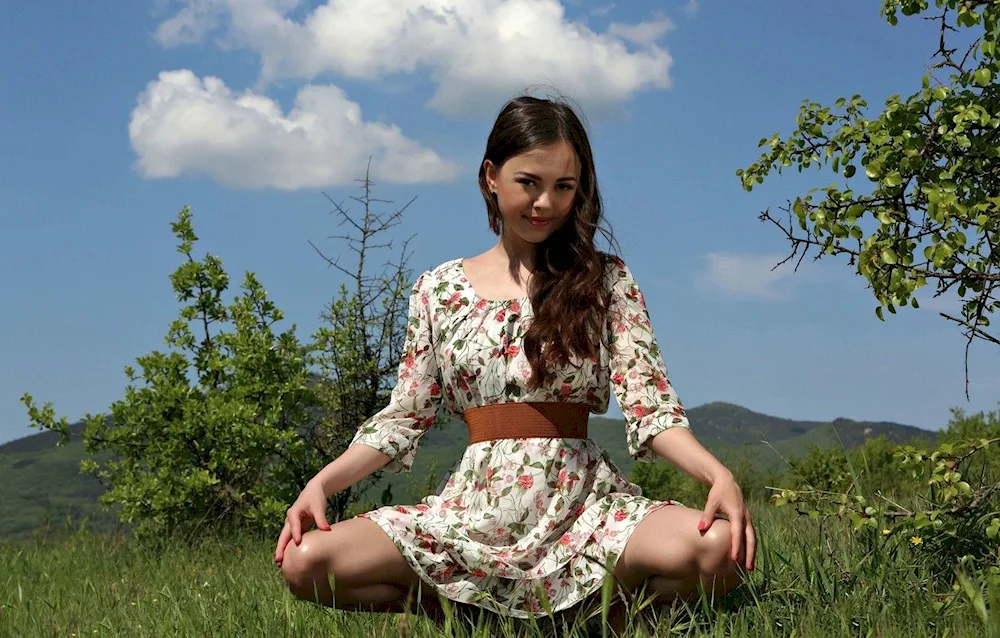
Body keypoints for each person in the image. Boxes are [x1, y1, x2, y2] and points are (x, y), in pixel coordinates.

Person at [274, 95, 756, 632]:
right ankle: (465, 611)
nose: (545, 203)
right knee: (306, 561)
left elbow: (652, 406)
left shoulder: (605, 280)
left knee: (721, 548)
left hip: (584, 507)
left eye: (564, 187)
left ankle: (602, 619)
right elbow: (404, 417)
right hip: (470, 515)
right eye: (529, 182)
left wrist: (717, 473)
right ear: (490, 177)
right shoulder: (439, 289)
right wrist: (322, 483)